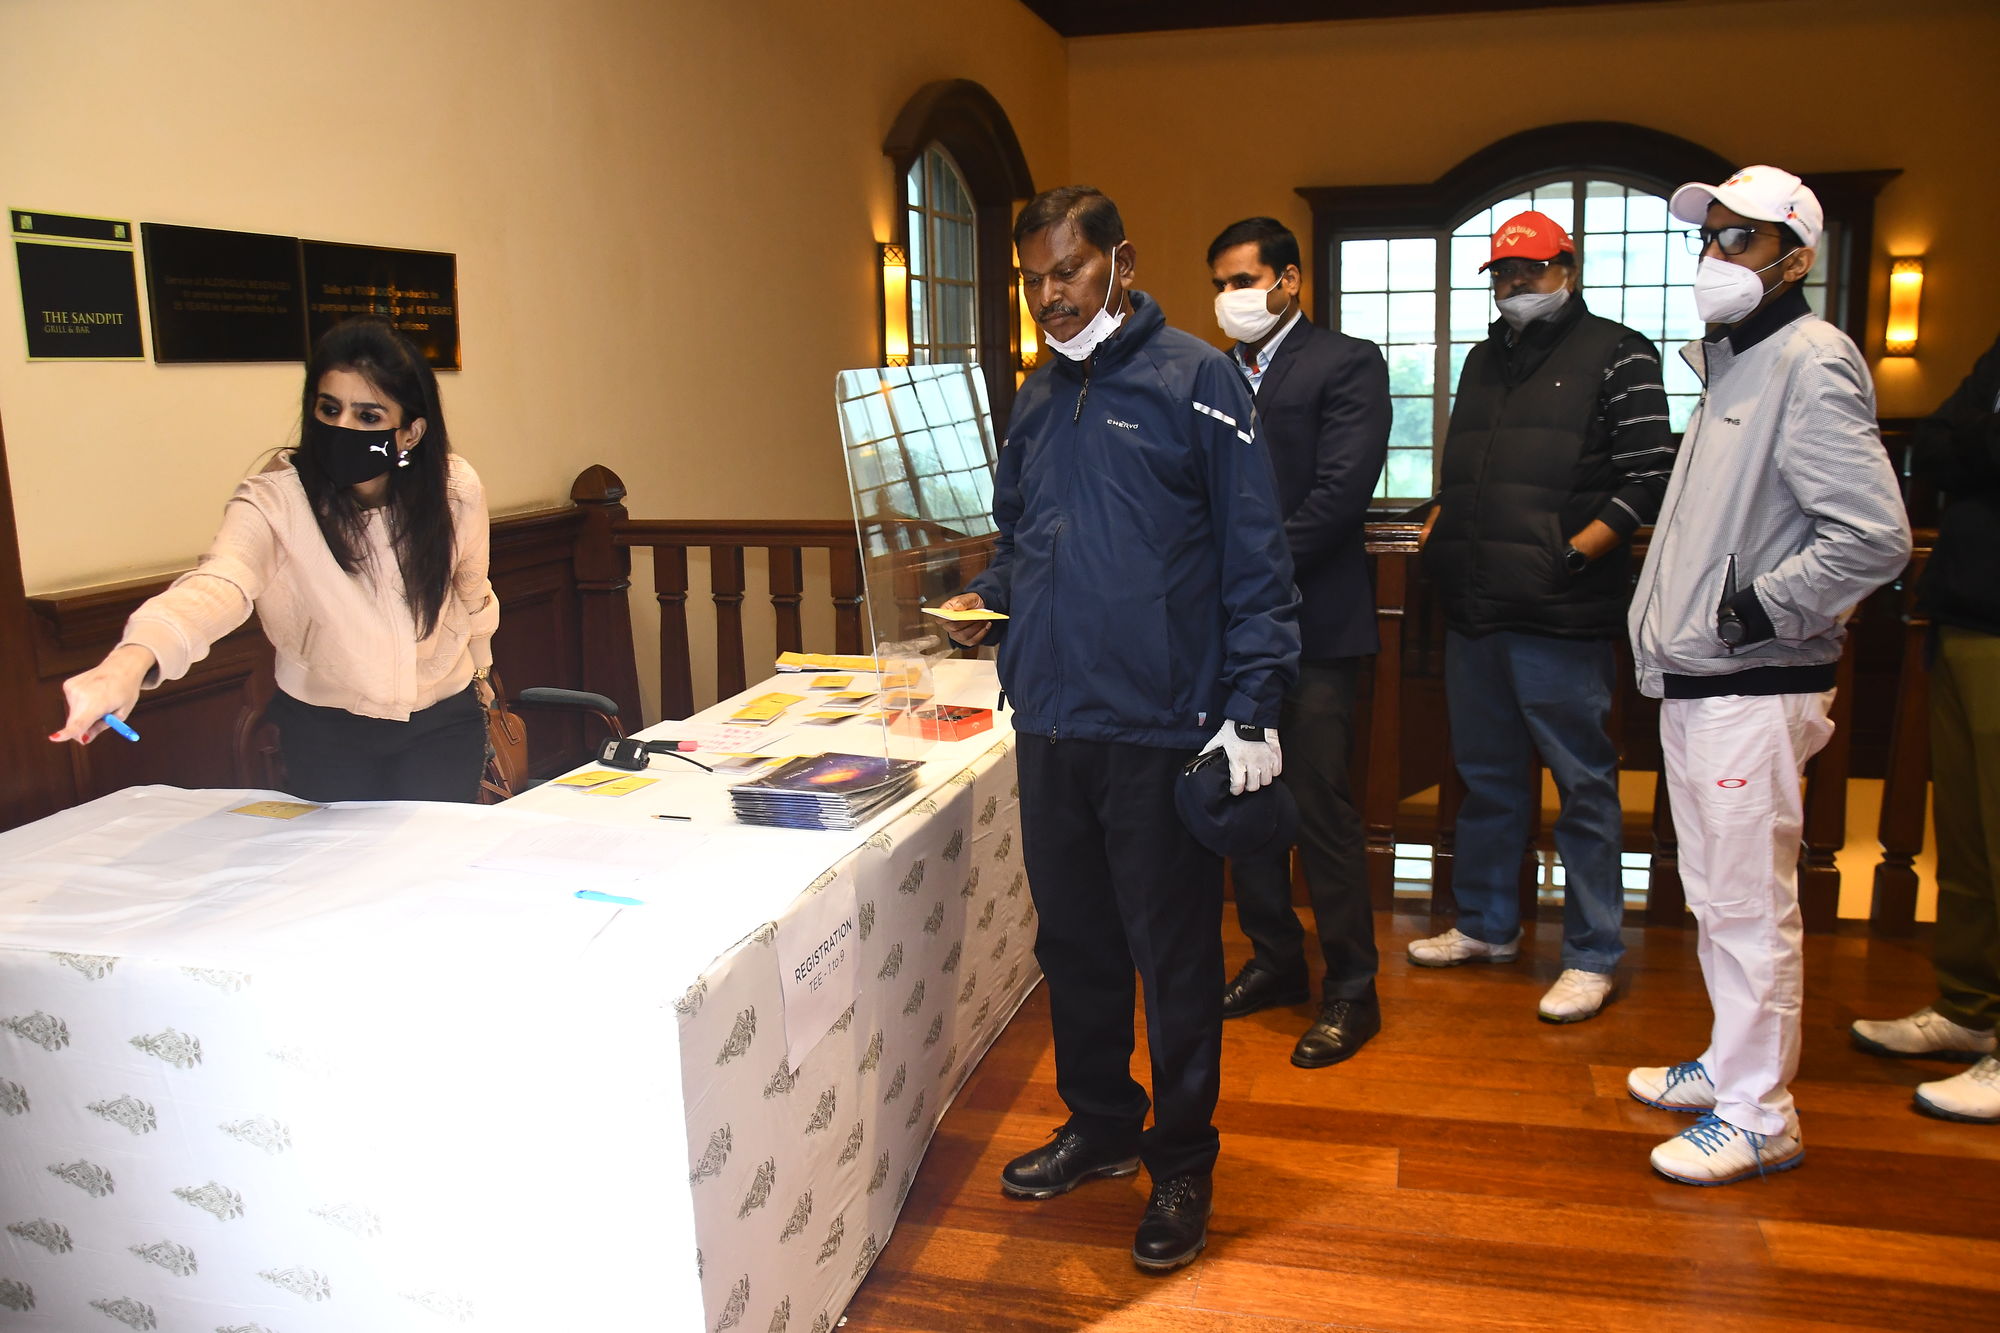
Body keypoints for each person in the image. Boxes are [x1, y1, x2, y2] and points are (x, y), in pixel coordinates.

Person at [937, 186, 1298, 1273]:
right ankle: (1099, 1121)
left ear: (1120, 263)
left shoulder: (1196, 381)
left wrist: (1253, 707)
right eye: (1032, 277)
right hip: (1049, 722)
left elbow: (1255, 558)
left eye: (1068, 271)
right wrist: (984, 601)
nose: (1049, 296)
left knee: (1173, 960)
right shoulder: (1035, 400)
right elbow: (1024, 538)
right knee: (1074, 947)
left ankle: (1180, 1157)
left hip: (1161, 731)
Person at [1625, 166, 1911, 1183]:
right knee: (1713, 893)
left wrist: (1754, 608)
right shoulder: (1733, 362)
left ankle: (1759, 1115)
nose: (1714, 255)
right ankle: (1728, 1062)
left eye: (1739, 240)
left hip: (1752, 681)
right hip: (1700, 681)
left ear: (1795, 258)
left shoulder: (1810, 357)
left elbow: (1871, 537)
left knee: (1749, 903)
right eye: (1707, 237)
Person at [52, 317, 499, 803]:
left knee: (432, 865)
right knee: (345, 871)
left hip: (441, 721)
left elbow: (471, 587)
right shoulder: (276, 500)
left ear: (410, 432)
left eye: (368, 417)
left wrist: (482, 670)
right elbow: (221, 581)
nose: (341, 427)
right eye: (330, 409)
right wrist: (129, 663)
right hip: (328, 730)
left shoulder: (454, 489)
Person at [1412, 210, 1678, 1023]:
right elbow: (1471, 463)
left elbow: (1649, 474)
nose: (1514, 286)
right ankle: (1489, 924)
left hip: (1561, 610)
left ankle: (1593, 952)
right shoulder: (1483, 358)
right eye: (1502, 274)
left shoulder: (1621, 352)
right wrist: (1440, 521)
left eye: (1529, 270)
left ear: (1568, 266)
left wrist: (1576, 553)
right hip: (1477, 603)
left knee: (1584, 785)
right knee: (1487, 779)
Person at [1205, 217, 1391, 1067]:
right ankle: (1276, 960)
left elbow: (1339, 493)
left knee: (1319, 808)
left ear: (1289, 281)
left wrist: (1250, 573)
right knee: (1241, 803)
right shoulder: (1210, 373)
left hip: (1315, 626)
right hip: (1229, 636)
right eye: (1222, 282)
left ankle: (1352, 989)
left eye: (1245, 281)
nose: (1231, 299)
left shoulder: (1346, 362)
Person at [1848, 329, 2000, 1124]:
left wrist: (1975, 439)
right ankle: (1971, 1008)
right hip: (1967, 610)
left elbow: (1964, 443)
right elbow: (1934, 449)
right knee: (1969, 840)